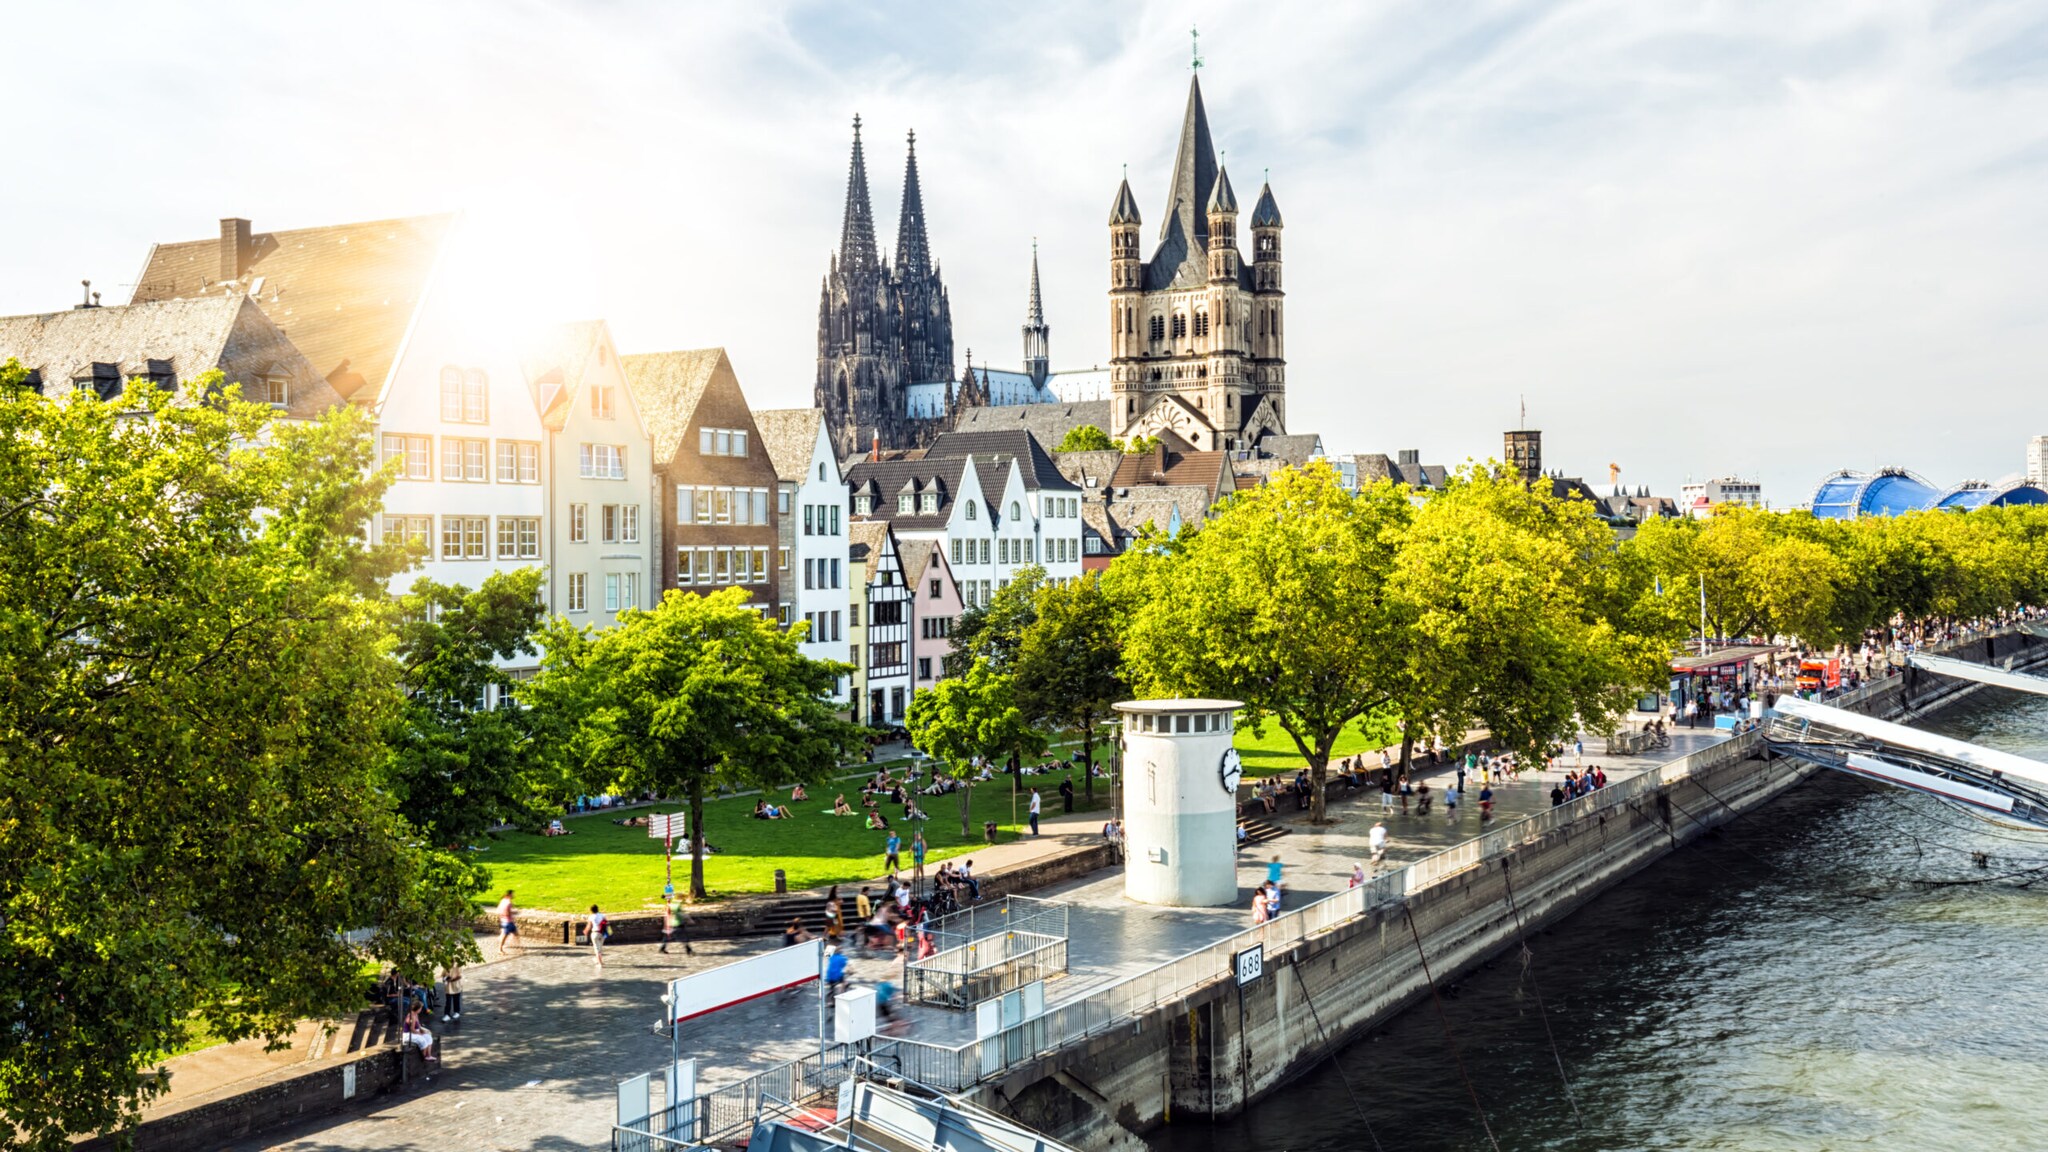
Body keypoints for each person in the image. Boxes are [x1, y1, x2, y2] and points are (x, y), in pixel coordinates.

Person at [584, 904, 609, 970]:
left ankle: (600, 963)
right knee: (600, 947)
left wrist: (586, 931)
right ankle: (599, 960)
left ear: (591, 910)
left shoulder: (591, 917)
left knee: (597, 949)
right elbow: (607, 922)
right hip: (602, 933)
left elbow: (589, 926)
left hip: (595, 933)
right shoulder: (602, 915)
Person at [496, 890, 521, 957]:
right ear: (510, 894)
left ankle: (519, 948)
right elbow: (508, 913)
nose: (514, 895)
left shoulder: (503, 900)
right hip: (508, 922)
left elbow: (498, 910)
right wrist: (515, 912)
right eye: (513, 894)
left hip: (504, 920)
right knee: (505, 936)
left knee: (516, 934)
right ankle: (500, 949)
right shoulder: (509, 903)